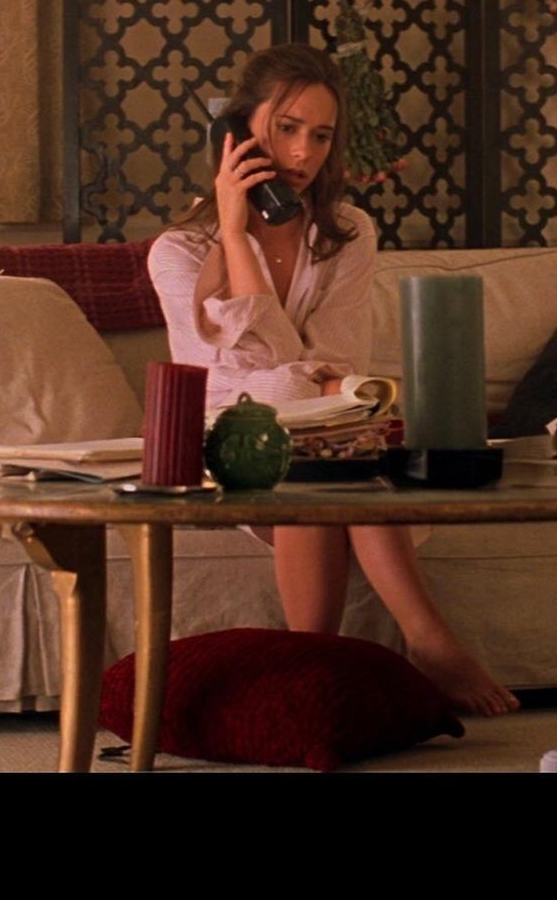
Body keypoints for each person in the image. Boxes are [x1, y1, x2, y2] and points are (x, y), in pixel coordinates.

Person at [147, 44, 518, 717]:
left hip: (324, 429)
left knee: (323, 445)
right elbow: (253, 381)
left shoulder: (348, 232)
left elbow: (336, 364)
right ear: (236, 133)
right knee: (326, 435)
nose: (302, 152)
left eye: (320, 135)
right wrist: (235, 235)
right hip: (226, 436)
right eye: (286, 128)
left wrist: (307, 390)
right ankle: (426, 638)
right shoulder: (177, 252)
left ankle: (313, 670)